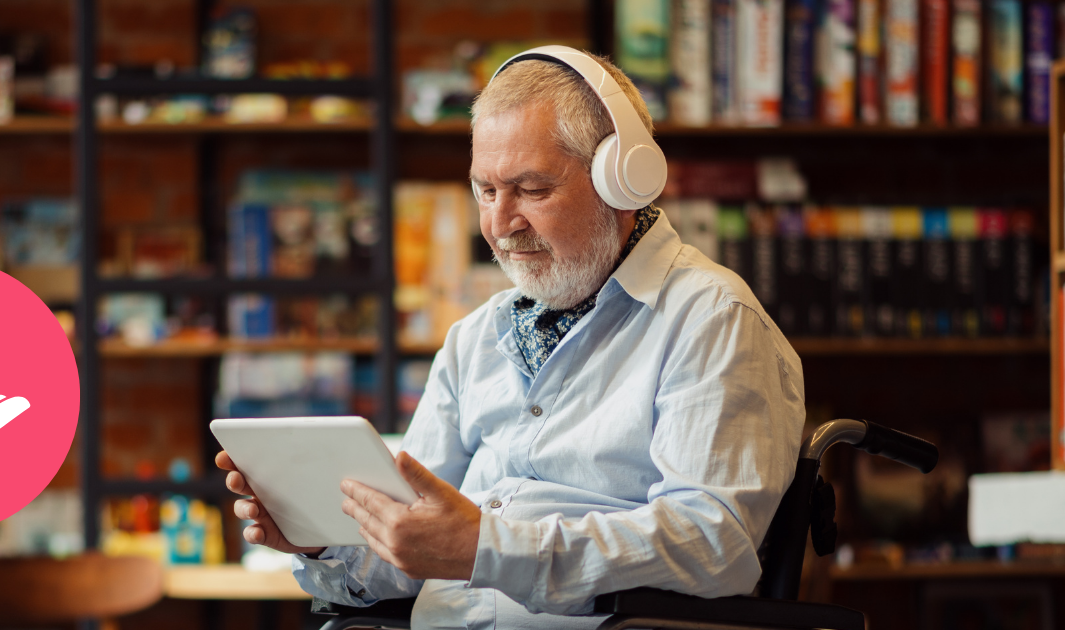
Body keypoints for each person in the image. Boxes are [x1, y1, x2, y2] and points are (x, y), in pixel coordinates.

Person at [216, 48, 805, 629]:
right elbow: (410, 556)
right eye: (486, 192)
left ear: (624, 181)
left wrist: (486, 547)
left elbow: (713, 546)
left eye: (531, 190)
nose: (500, 225)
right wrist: (321, 540)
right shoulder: (475, 339)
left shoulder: (710, 319)